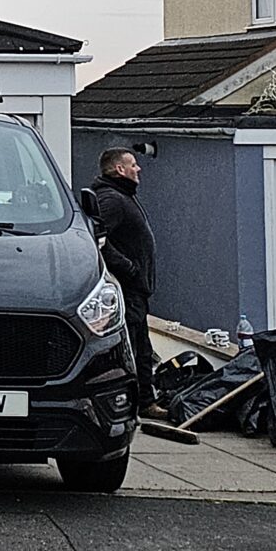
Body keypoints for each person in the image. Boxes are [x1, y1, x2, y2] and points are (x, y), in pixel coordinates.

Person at [89, 148, 163, 418]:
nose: (138, 169)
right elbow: (95, 240)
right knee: (133, 347)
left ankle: (145, 400)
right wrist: (128, 268)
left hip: (136, 289)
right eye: (133, 164)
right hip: (126, 289)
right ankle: (136, 404)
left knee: (142, 347)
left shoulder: (123, 197)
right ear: (119, 169)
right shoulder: (111, 200)